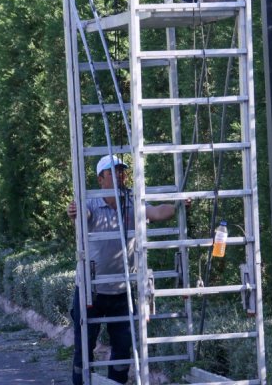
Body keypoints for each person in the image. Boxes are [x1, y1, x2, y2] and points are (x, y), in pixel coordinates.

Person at [67, 155, 179, 385]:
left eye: (122, 171)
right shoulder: (90, 203)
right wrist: (74, 213)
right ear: (100, 179)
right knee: (84, 350)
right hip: (91, 292)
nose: (120, 176)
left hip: (122, 291)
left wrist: (179, 204)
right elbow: (81, 216)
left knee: (122, 351)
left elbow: (158, 212)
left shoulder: (131, 202)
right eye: (113, 172)